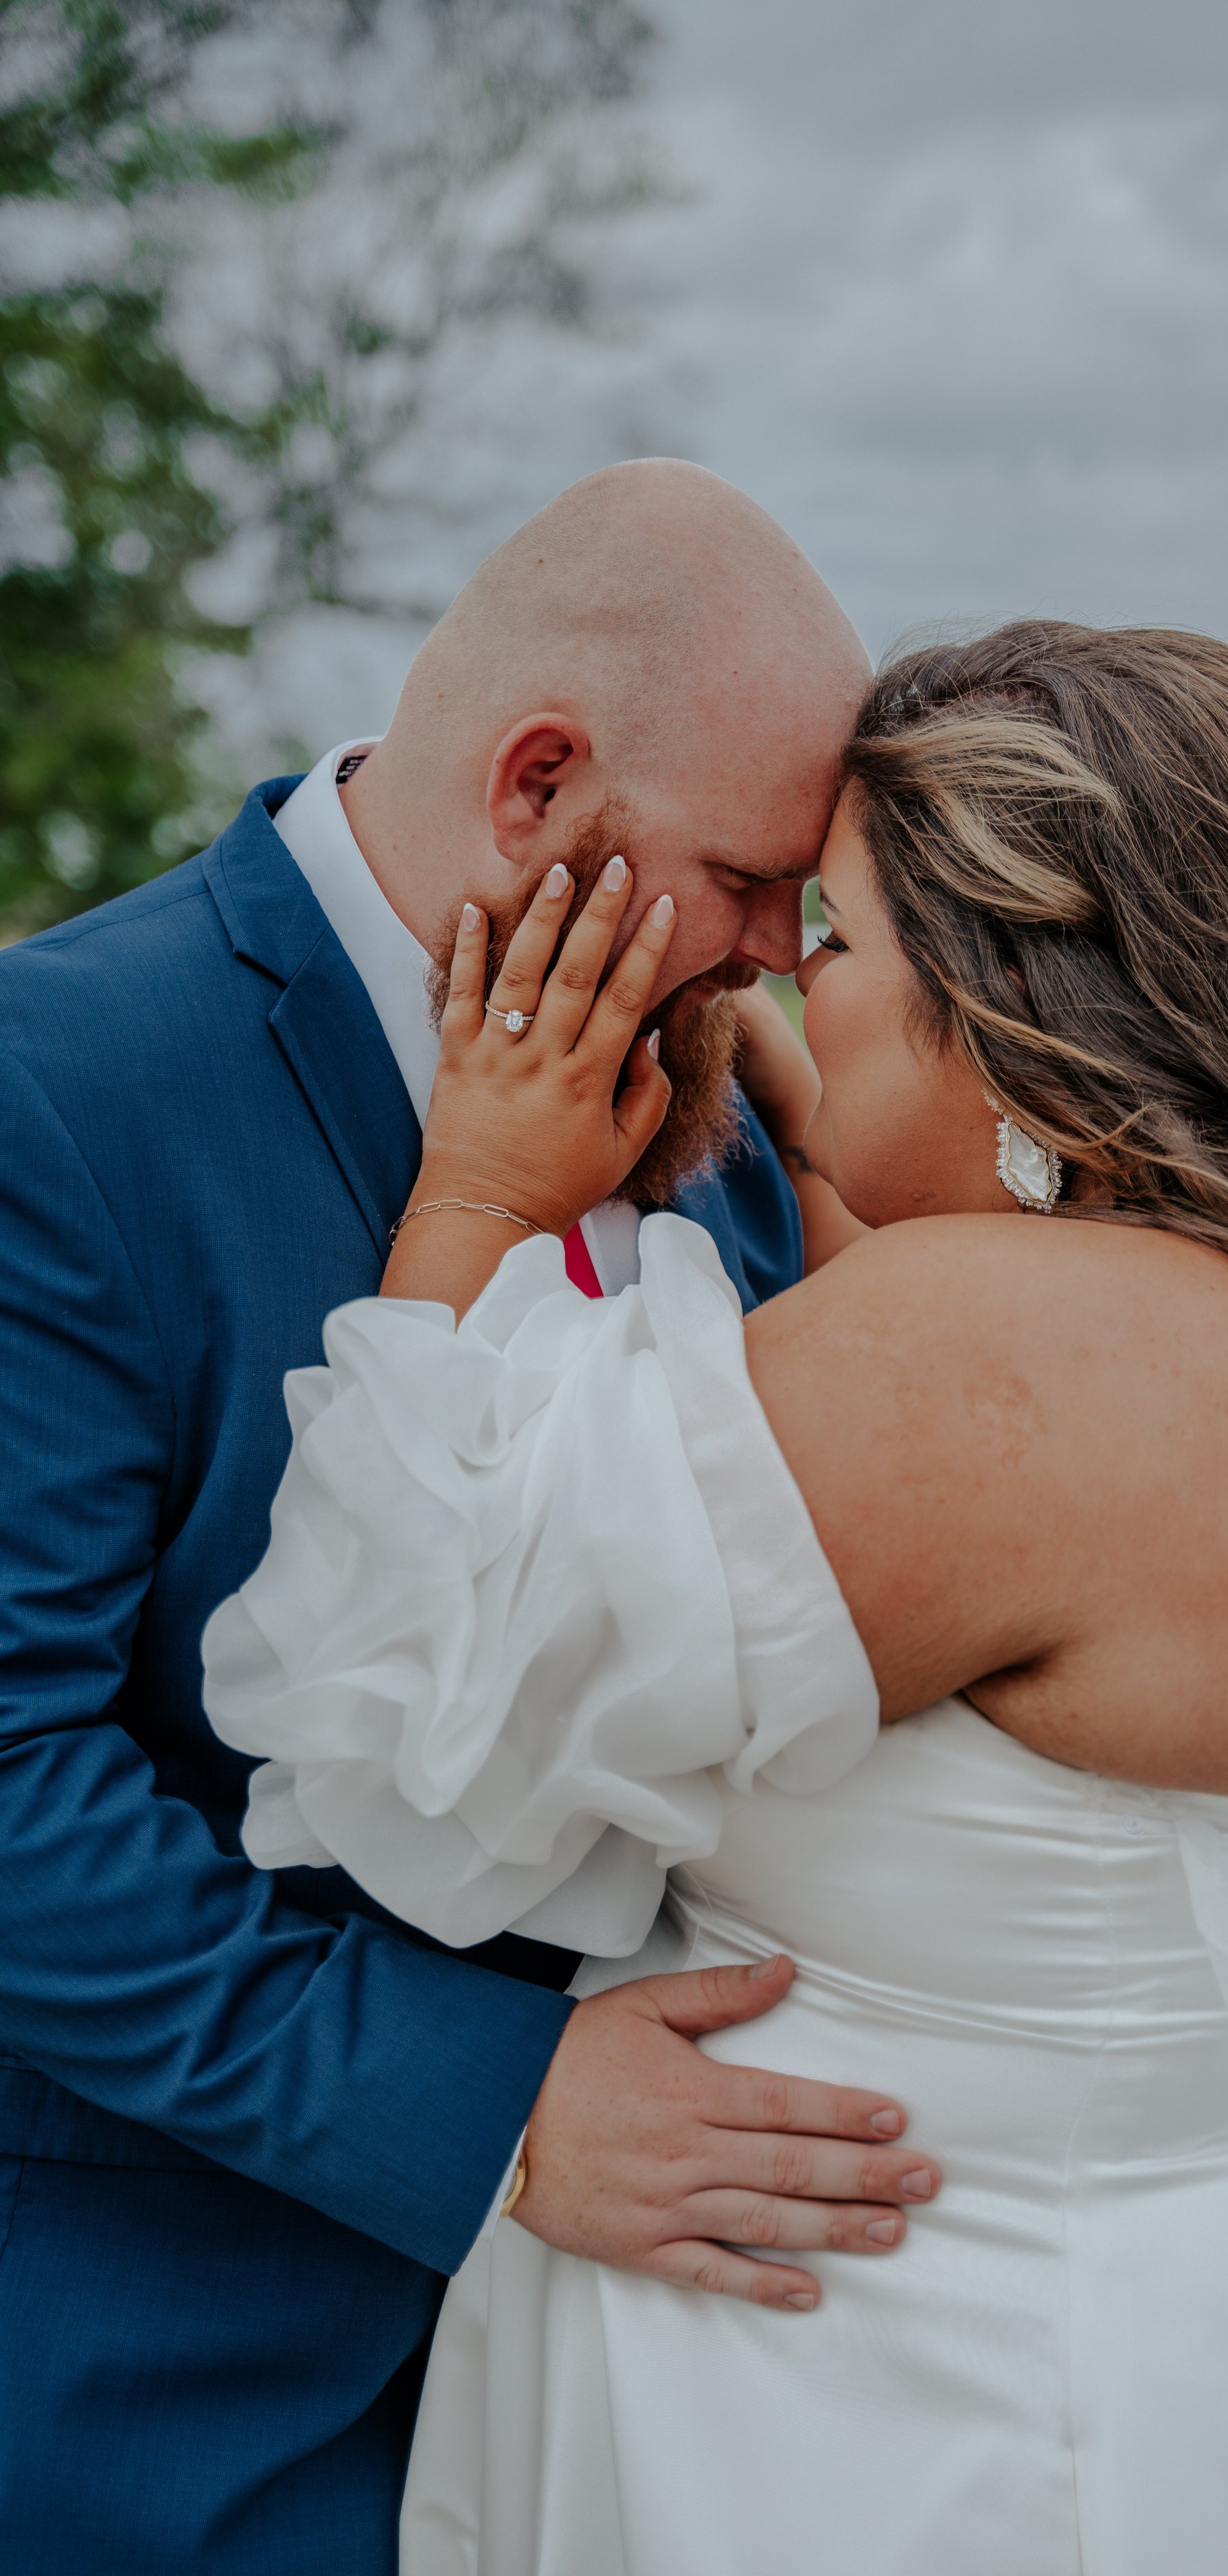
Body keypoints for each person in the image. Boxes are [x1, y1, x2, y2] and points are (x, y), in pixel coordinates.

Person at [209, 620, 1228, 2576]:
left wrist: (481, 1195)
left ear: (1011, 1002)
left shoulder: (984, 1360)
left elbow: (391, 1727)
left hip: (938, 2426)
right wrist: (823, 1092)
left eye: (827, 942)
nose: (773, 981)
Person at [0, 463, 948, 2576]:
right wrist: (492, 2108)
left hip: (662, 2390)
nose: (787, 957)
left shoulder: (710, 1098)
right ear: (535, 789)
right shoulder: (51, 1089)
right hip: (170, 2389)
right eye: (747, 878)